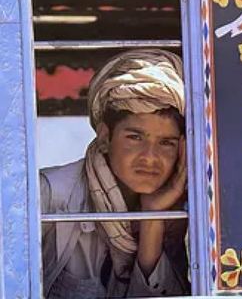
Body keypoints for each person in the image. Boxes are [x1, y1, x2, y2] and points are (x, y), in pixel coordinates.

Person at [40, 49, 190, 298]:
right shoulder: (50, 195)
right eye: (135, 137)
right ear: (105, 138)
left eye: (166, 143)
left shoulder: (184, 212)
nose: (150, 157)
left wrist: (152, 217)